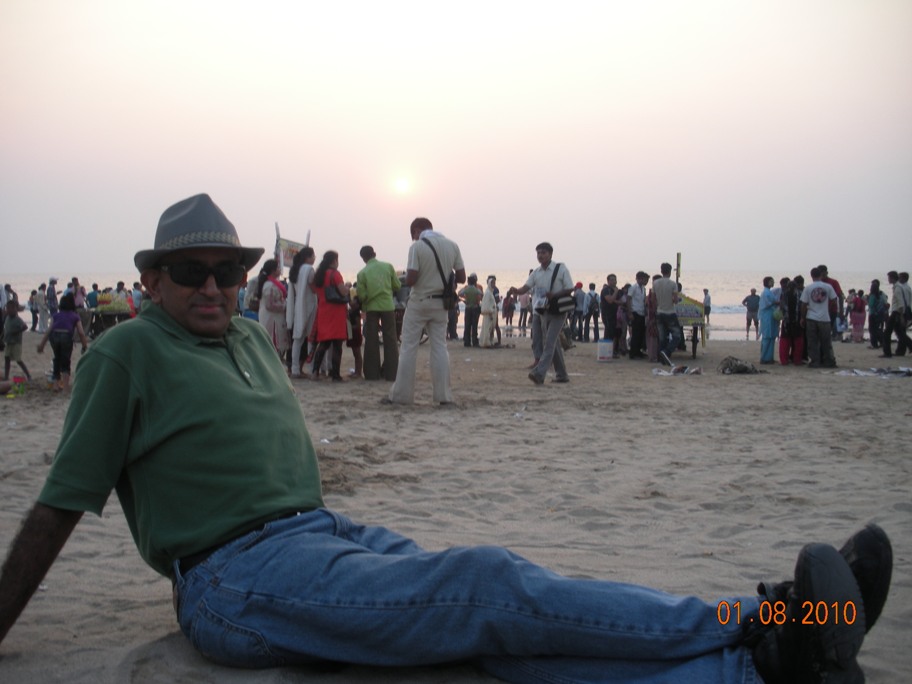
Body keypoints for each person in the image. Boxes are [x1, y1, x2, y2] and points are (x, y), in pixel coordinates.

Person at [0, 194, 893, 684]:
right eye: (189, 273)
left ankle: (759, 671)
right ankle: (773, 618)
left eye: (228, 272)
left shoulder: (238, 333)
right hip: (235, 579)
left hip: (319, 532)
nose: (213, 288)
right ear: (149, 278)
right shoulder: (126, 353)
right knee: (486, 583)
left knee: (495, 625)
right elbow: (59, 505)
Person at [386, 218, 465, 405]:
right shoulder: (452, 245)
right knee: (439, 348)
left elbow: (412, 279)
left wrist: (405, 278)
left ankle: (401, 396)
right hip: (441, 304)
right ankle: (443, 396)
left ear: (417, 230)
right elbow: (461, 277)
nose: (413, 239)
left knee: (408, 348)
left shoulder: (417, 247)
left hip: (419, 302)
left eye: (412, 234)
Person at [508, 242, 573, 385]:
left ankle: (539, 373)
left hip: (558, 311)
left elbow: (570, 288)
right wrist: (516, 290)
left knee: (549, 342)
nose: (540, 255)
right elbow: (526, 287)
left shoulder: (560, 269)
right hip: (543, 311)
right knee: (553, 343)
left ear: (550, 254)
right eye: (538, 253)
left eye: (543, 252)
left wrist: (554, 295)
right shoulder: (536, 273)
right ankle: (562, 375)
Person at [356, 245, 400, 381]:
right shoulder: (388, 267)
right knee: (391, 340)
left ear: (363, 258)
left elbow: (361, 295)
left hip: (371, 308)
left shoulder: (362, 273)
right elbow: (397, 285)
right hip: (387, 306)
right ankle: (392, 373)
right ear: (374, 253)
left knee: (371, 341)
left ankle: (372, 374)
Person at [36, 292, 89, 391]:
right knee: (65, 361)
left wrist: (42, 345)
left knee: (57, 359)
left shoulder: (56, 315)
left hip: (54, 336)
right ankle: (65, 386)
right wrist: (84, 346)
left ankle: (55, 385)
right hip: (66, 337)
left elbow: (48, 331)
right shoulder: (75, 316)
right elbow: (81, 333)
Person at [310, 251, 349, 381]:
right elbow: (343, 291)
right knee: (337, 345)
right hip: (336, 312)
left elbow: (315, 290)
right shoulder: (335, 274)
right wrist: (349, 288)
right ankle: (335, 374)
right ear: (334, 261)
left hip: (323, 311)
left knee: (324, 343)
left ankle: (315, 371)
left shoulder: (319, 275)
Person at [286, 246, 317, 378]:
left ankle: (295, 369)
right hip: (309, 304)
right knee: (311, 338)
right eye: (313, 255)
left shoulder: (295, 270)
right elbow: (314, 288)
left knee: (297, 339)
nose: (314, 258)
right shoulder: (309, 270)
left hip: (298, 305)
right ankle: (311, 368)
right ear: (307, 257)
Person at [800, 267, 837, 369]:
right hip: (825, 318)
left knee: (812, 342)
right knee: (826, 341)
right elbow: (834, 299)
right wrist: (828, 308)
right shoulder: (828, 287)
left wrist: (803, 317)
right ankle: (829, 361)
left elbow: (803, 304)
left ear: (811, 276)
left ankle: (815, 361)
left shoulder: (808, 288)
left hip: (811, 317)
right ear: (821, 275)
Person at [256, 259, 290, 360]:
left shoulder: (270, 284)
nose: (280, 269)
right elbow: (270, 305)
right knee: (273, 341)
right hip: (272, 318)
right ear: (273, 270)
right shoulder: (270, 285)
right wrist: (285, 305)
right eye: (278, 268)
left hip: (272, 316)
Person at [653, 262, 681, 366]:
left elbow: (653, 299)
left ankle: (661, 357)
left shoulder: (655, 283)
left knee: (662, 337)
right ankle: (667, 351)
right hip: (670, 312)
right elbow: (675, 300)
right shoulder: (673, 284)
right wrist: (676, 299)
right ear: (670, 272)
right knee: (677, 336)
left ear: (661, 271)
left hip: (659, 312)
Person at [880, 270, 910, 358]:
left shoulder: (898, 288)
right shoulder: (899, 287)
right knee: (900, 333)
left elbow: (900, 304)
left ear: (892, 278)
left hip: (897, 312)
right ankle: (908, 346)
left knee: (887, 333)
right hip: (898, 312)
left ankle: (887, 353)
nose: (888, 279)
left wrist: (900, 316)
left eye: (889, 278)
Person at [779, 275, 804, 365]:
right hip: (797, 320)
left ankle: (784, 360)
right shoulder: (800, 294)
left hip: (786, 321)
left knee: (785, 341)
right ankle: (797, 360)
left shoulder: (784, 294)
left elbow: (781, 308)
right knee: (798, 342)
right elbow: (802, 307)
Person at [3, 302, 32, 381]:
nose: (9, 310)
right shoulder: (7, 317)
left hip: (16, 343)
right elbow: (6, 328)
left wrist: (16, 331)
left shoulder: (17, 319)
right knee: (7, 358)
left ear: (16, 310)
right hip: (8, 342)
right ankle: (6, 376)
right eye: (7, 308)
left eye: (12, 308)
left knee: (18, 360)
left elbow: (25, 327)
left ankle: (28, 375)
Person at [758, 277, 779, 364]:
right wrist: (776, 303)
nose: (773, 282)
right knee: (767, 336)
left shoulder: (768, 292)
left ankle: (769, 357)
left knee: (771, 336)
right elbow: (767, 304)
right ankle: (765, 358)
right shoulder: (766, 292)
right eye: (771, 281)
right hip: (767, 316)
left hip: (770, 315)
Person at [627, 273, 647, 357]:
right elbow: (628, 299)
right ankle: (633, 352)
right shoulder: (633, 288)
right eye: (643, 279)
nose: (644, 281)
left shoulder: (643, 288)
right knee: (635, 333)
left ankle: (638, 351)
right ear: (638, 279)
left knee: (640, 333)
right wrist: (630, 312)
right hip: (635, 311)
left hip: (641, 312)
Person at [459, 274, 482, 348]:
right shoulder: (476, 289)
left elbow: (459, 293)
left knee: (467, 325)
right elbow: (482, 294)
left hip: (468, 308)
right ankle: (474, 341)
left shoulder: (466, 289)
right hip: (475, 307)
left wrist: (465, 298)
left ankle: (467, 341)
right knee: (474, 325)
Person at [866, 279, 888, 350]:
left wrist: (867, 300)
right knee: (877, 329)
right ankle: (882, 341)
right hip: (879, 314)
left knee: (872, 329)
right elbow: (885, 303)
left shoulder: (872, 295)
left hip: (872, 314)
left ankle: (874, 344)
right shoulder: (881, 294)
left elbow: (871, 305)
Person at [480, 276, 498, 348]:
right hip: (489, 314)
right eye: (492, 283)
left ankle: (490, 342)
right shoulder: (488, 293)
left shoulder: (490, 292)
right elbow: (486, 305)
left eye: (494, 283)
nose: (494, 284)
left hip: (492, 313)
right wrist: (490, 312)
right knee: (487, 328)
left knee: (490, 329)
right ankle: (486, 343)